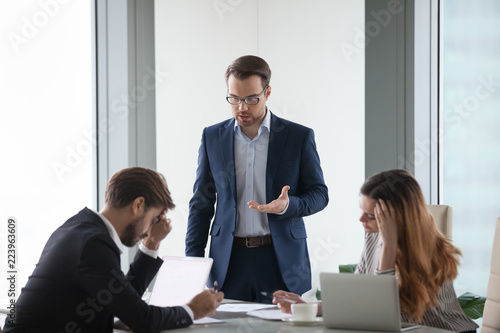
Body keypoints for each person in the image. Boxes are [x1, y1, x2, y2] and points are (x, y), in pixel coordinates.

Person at [3, 167, 223, 333]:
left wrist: (152, 244)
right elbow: (141, 318)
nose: (148, 231)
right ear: (138, 205)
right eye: (153, 219)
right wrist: (193, 309)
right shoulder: (92, 245)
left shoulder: (81, 228)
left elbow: (122, 300)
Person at [185, 55, 329, 303]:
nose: (242, 107)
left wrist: (288, 205)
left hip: (280, 259)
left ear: (268, 92)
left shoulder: (297, 137)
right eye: (234, 99)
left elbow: (319, 194)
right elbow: (201, 204)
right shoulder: (212, 137)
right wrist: (193, 265)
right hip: (228, 261)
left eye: (252, 99)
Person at [274, 169, 478, 332]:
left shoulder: (427, 250)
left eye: (371, 216)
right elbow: (362, 300)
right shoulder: (374, 237)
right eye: (362, 210)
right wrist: (310, 307)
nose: (361, 219)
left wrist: (389, 247)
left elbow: (391, 315)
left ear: (397, 216)